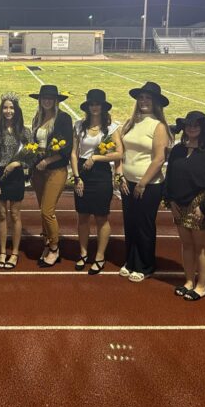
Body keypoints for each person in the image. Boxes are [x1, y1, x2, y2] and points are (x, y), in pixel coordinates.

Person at [163, 111, 205, 300]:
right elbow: (170, 176)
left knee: (202, 247)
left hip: (201, 203)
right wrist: (170, 200)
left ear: (203, 128)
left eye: (196, 125)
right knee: (187, 245)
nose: (192, 128)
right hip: (179, 203)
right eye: (189, 125)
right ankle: (189, 281)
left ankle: (202, 285)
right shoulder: (177, 150)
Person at [116, 81, 172, 282]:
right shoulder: (130, 123)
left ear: (156, 102)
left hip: (148, 185)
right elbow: (121, 152)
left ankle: (145, 265)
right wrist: (120, 176)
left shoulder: (159, 126)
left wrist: (142, 183)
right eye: (141, 97)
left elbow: (159, 159)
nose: (144, 101)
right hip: (127, 182)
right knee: (130, 223)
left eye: (148, 98)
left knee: (144, 226)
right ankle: (131, 260)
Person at [70, 89, 123, 275]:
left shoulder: (111, 128)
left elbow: (119, 153)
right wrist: (77, 177)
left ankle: (100, 256)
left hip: (101, 174)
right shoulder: (79, 125)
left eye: (97, 104)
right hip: (82, 173)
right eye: (91, 104)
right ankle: (83, 253)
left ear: (103, 107)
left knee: (101, 217)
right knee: (83, 216)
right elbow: (74, 153)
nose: (94, 107)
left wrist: (96, 158)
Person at [29, 84, 73, 268]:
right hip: (38, 171)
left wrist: (47, 161)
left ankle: (55, 248)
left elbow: (67, 147)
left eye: (50, 98)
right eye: (44, 98)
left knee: (47, 211)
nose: (46, 101)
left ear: (56, 100)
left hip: (56, 170)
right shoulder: (37, 118)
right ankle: (47, 242)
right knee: (42, 210)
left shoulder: (63, 118)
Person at [0, 92, 32, 270]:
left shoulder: (25, 132)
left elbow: (31, 157)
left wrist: (17, 163)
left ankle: (15, 253)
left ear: (17, 110)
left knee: (15, 214)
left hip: (16, 176)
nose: (8, 111)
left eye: (11, 107)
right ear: (1, 110)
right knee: (2, 215)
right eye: (5, 107)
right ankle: (2, 252)